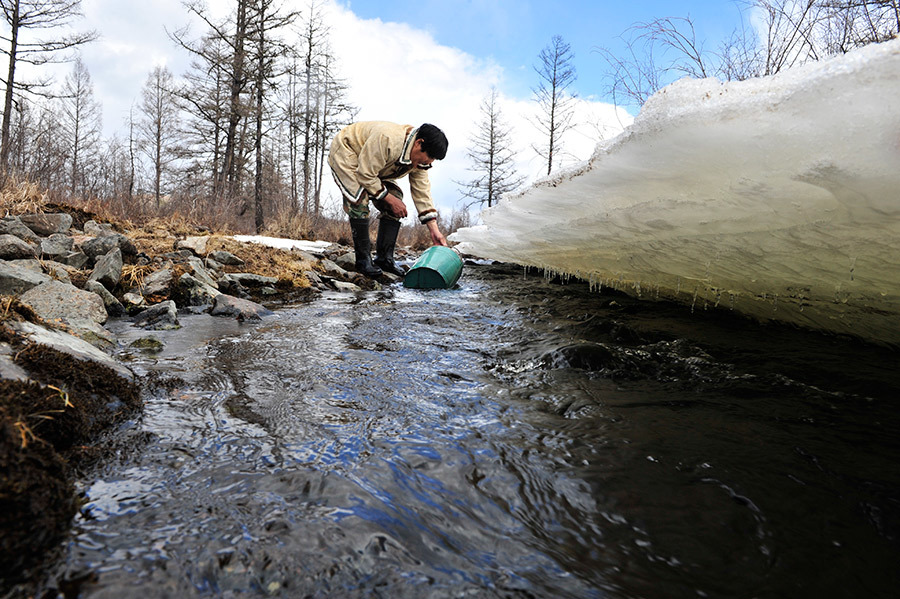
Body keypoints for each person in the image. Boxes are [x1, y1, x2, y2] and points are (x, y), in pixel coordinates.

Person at [328, 121, 449, 278]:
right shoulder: (387, 139)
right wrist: (388, 198)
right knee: (359, 199)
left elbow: (422, 191)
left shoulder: (419, 160)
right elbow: (365, 174)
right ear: (419, 143)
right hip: (348, 151)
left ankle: (385, 259)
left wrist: (434, 230)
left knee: (396, 199)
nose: (426, 164)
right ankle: (363, 261)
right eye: (427, 159)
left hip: (373, 163)